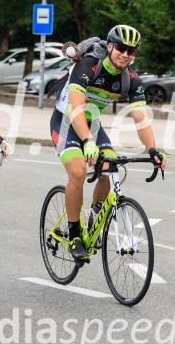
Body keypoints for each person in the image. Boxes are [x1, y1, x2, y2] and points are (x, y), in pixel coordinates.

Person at [50, 25, 166, 260]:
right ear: (111, 46)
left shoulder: (131, 80)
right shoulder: (88, 65)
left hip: (92, 124)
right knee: (78, 171)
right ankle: (74, 234)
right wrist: (88, 142)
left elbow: (141, 118)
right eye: (121, 48)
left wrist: (152, 149)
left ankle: (95, 213)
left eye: (131, 51)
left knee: (109, 165)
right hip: (65, 122)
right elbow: (75, 108)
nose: (125, 54)